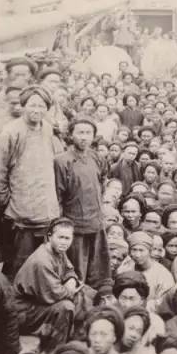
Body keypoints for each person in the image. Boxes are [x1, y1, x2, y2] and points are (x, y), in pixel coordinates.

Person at [0, 85, 61, 277]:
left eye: (41, 106)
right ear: (23, 106)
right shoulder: (11, 131)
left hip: (46, 203)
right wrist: (5, 199)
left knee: (46, 255)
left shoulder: (47, 128)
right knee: (22, 258)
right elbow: (0, 170)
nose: (36, 110)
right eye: (32, 105)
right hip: (21, 204)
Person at [14, 218, 94, 354]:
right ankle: (56, 350)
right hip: (27, 311)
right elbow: (55, 294)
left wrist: (71, 280)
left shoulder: (59, 250)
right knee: (66, 307)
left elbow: (69, 270)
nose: (64, 242)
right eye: (60, 237)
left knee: (89, 293)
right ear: (49, 236)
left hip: (43, 301)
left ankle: (78, 338)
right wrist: (71, 289)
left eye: (67, 238)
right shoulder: (42, 260)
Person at [55, 117, 111, 288]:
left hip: (96, 221)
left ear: (93, 136)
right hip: (75, 223)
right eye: (80, 132)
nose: (84, 137)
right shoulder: (61, 161)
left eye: (88, 133)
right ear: (71, 135)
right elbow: (58, 194)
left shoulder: (97, 157)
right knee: (77, 269)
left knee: (98, 268)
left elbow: (102, 181)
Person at [116, 231, 175, 309]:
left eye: (141, 250)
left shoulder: (163, 275)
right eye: (134, 250)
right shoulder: (124, 269)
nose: (137, 255)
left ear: (150, 251)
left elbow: (165, 303)